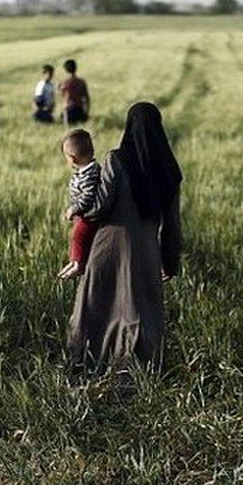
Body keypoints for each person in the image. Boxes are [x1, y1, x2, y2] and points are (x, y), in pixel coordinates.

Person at [65, 102, 183, 375]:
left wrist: (77, 207)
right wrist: (170, 261)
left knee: (98, 305)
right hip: (146, 250)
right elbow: (173, 226)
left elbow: (101, 207)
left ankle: (88, 362)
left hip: (107, 247)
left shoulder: (116, 159)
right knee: (140, 309)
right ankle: (139, 367)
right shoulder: (170, 172)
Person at [58, 129, 101, 279]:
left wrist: (73, 209)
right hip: (82, 214)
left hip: (89, 215)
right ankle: (74, 261)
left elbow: (88, 197)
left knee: (79, 235)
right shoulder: (83, 171)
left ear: (73, 159)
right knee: (75, 236)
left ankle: (79, 264)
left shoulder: (91, 174)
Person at [59, 59, 90, 126]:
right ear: (76, 68)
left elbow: (63, 98)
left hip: (69, 112)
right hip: (80, 111)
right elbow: (87, 98)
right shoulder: (82, 82)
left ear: (66, 70)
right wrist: (86, 113)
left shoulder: (65, 83)